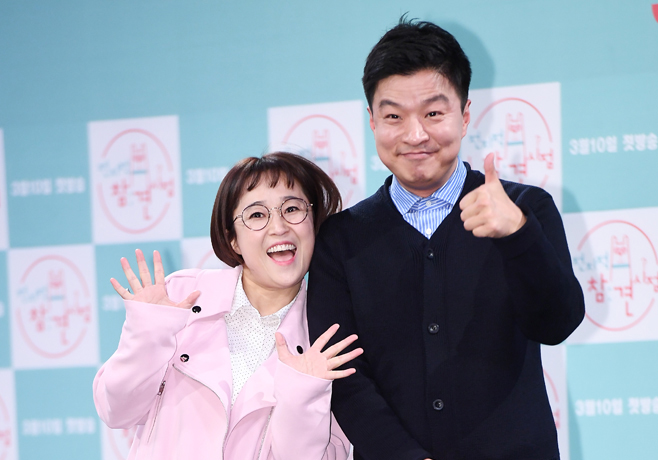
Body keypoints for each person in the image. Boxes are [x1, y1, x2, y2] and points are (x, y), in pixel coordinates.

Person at [306, 18, 585, 460]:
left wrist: (518, 235)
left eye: (433, 113)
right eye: (394, 116)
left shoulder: (525, 209)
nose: (415, 135)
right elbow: (342, 375)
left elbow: (557, 324)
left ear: (465, 114)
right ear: (372, 120)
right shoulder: (340, 240)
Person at [94, 152, 361, 460]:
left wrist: (302, 395)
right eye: (257, 215)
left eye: (292, 209)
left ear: (313, 224)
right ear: (233, 239)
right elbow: (116, 411)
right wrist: (146, 336)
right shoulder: (182, 296)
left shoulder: (328, 335)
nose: (279, 227)